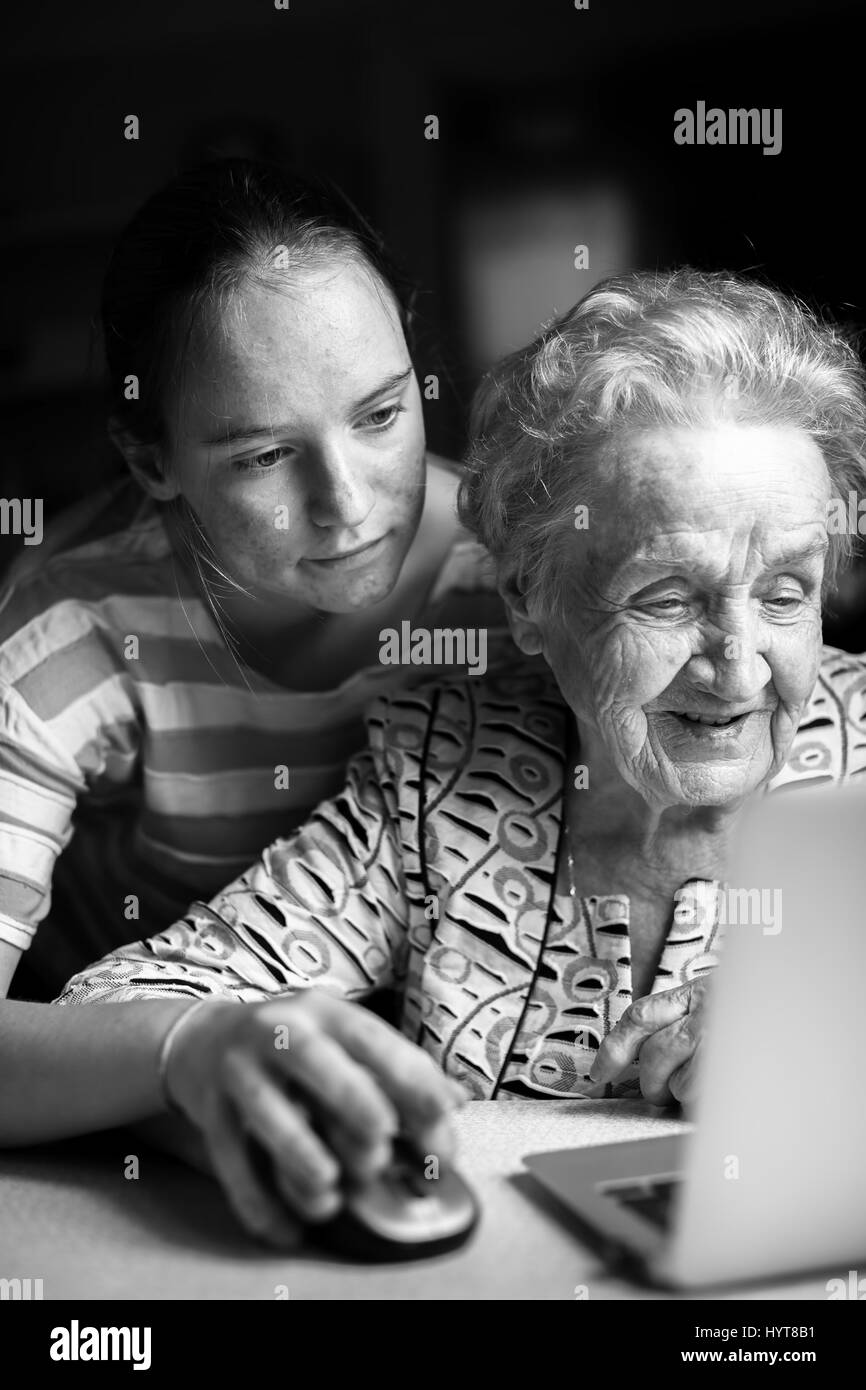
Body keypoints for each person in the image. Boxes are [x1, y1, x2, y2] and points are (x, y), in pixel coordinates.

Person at [7, 268, 866, 1250]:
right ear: (526, 604)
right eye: (666, 598)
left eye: (785, 591)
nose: (738, 664)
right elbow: (123, 1002)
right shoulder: (434, 777)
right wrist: (226, 1054)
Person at [0, 158, 507, 1007]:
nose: (346, 506)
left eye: (380, 415)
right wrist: (190, 1051)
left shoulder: (520, 580)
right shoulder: (71, 619)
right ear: (150, 459)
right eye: (265, 456)